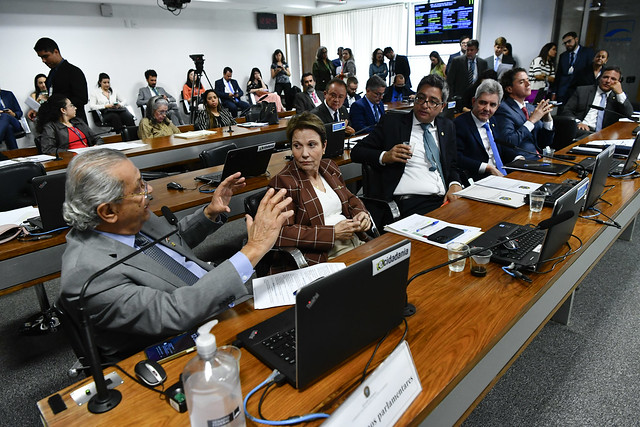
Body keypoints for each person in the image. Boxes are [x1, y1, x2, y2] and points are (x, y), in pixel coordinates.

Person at [58, 148, 293, 360]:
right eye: (139, 187)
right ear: (108, 211)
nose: (149, 190)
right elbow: (173, 312)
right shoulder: (87, 276)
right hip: (186, 339)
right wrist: (254, 248)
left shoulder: (130, 215)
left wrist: (209, 213)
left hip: (219, 294)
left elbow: (171, 241)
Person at [351, 74, 462, 219]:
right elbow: (357, 152)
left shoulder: (447, 126)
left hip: (444, 199)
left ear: (442, 107)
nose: (425, 105)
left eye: (433, 102)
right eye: (421, 98)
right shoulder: (393, 123)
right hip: (410, 202)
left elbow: (452, 164)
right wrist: (385, 156)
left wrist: (455, 183)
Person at [269, 112, 370, 265]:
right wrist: (332, 233)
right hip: (323, 256)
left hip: (356, 241)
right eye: (297, 146)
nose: (304, 154)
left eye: (311, 145)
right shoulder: (283, 182)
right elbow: (282, 233)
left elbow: (350, 198)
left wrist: (361, 214)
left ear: (324, 146)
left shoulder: (329, 166)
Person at [455, 79, 521, 183]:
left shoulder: (494, 121)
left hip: (502, 176)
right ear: (473, 101)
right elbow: (457, 157)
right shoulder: (459, 124)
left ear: (498, 106)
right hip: (479, 179)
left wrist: (518, 158)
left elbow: (502, 148)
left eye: (492, 105)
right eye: (483, 103)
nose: (487, 109)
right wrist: (487, 167)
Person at [494, 68, 554, 159]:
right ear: (509, 89)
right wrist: (531, 121)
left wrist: (547, 120)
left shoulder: (530, 107)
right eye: (522, 82)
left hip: (541, 158)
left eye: (528, 80)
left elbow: (545, 142)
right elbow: (509, 141)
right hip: (523, 160)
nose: (528, 84)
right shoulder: (503, 109)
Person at [562, 65, 633, 138]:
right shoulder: (582, 91)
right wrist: (578, 123)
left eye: (613, 79)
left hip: (605, 135)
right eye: (605, 77)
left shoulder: (618, 97)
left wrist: (620, 93)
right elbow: (567, 111)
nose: (608, 81)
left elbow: (629, 115)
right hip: (583, 130)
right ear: (600, 78)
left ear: (618, 82)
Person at [33, 37, 88, 124]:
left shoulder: (74, 71)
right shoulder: (52, 73)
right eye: (41, 57)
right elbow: (53, 96)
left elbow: (82, 99)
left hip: (74, 123)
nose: (43, 60)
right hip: (58, 122)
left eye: (45, 56)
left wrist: (59, 106)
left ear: (56, 52)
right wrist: (39, 110)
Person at [36, 94, 102, 155]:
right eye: (71, 105)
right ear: (63, 110)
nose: (75, 108)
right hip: (70, 158)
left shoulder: (78, 122)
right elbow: (48, 149)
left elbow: (97, 138)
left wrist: (96, 146)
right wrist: (71, 152)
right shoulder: (51, 127)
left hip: (88, 155)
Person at [552, 31, 595, 103]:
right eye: (565, 43)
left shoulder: (587, 52)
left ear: (576, 39)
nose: (567, 44)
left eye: (569, 41)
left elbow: (590, 72)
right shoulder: (563, 56)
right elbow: (558, 74)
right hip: (563, 91)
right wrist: (554, 91)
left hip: (579, 90)